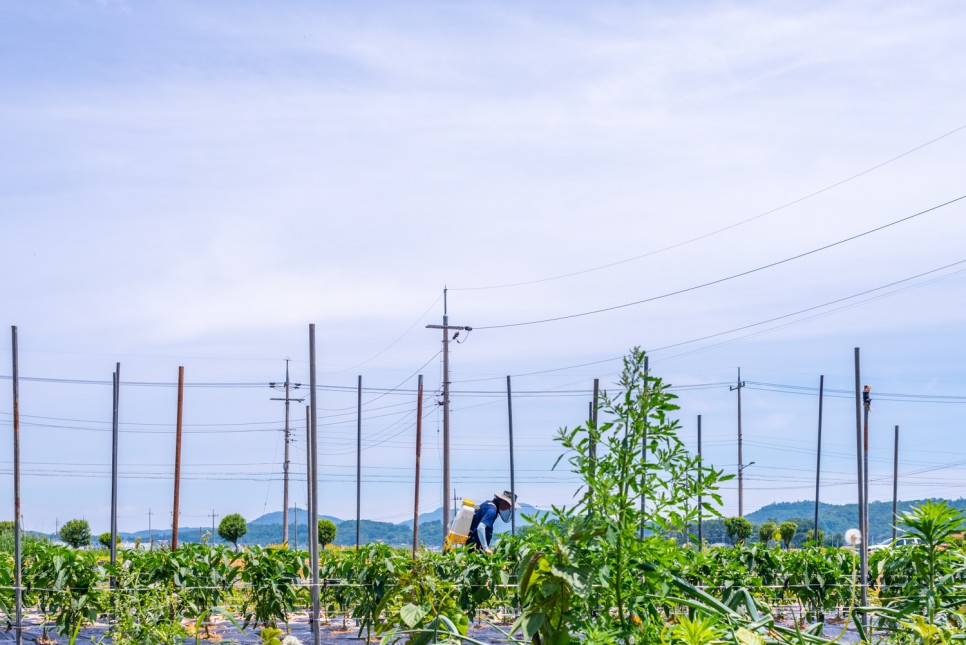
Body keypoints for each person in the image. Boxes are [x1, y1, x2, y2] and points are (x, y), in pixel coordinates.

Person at [467, 490, 519, 554]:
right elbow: (480, 528)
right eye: (509, 505)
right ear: (503, 502)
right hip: (476, 544)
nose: (508, 508)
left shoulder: (487, 503)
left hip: (471, 541)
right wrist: (485, 548)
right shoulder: (492, 511)